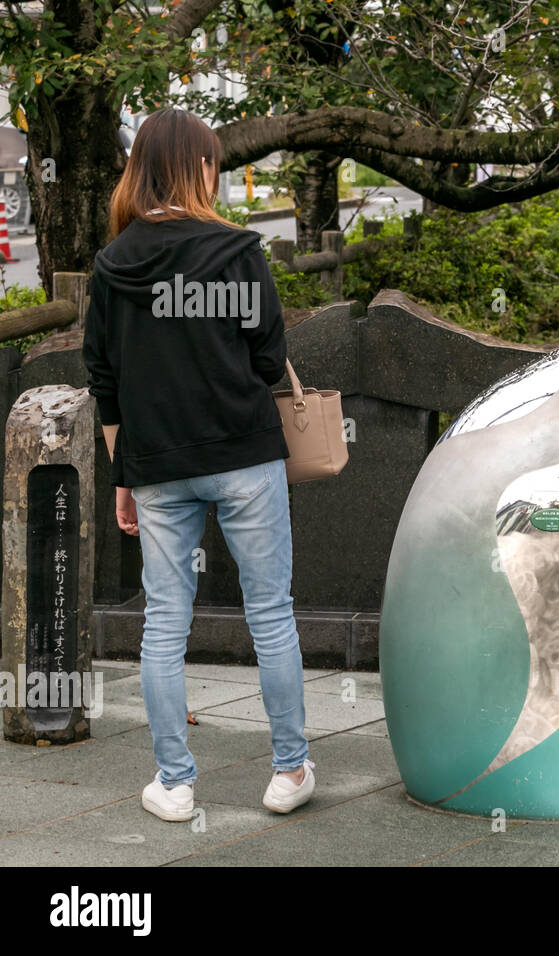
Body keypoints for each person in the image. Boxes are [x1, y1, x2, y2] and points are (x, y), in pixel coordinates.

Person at [82, 108, 315, 822]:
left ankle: (175, 785)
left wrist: (124, 474)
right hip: (243, 453)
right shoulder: (238, 251)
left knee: (162, 624)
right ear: (198, 168)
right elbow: (269, 359)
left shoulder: (113, 264)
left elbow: (105, 378)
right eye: (213, 161)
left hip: (156, 464)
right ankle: (288, 772)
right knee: (270, 612)